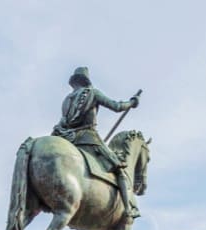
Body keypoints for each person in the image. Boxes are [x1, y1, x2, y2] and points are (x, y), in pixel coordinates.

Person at [53, 67, 141, 219]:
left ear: (74, 82)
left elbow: (66, 122)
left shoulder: (66, 100)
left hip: (69, 139)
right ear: (86, 80)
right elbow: (117, 107)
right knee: (120, 169)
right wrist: (132, 103)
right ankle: (129, 209)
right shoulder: (93, 92)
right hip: (88, 138)